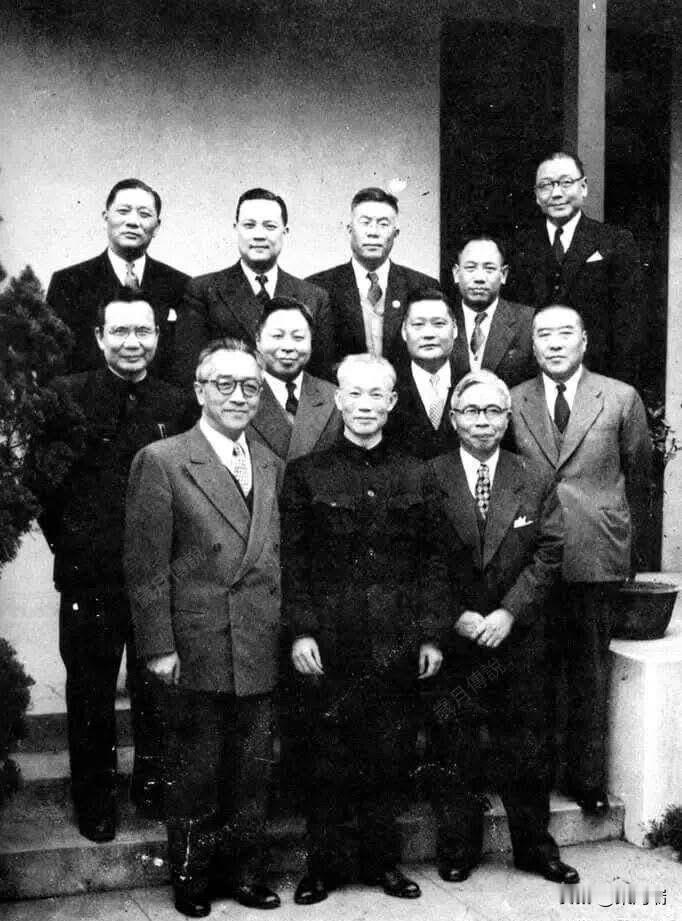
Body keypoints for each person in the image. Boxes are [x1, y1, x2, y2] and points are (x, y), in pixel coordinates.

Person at [281, 354, 449, 905]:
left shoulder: (416, 473)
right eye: (354, 393)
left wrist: (430, 634)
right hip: (331, 641)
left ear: (393, 402)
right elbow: (293, 562)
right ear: (338, 399)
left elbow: (434, 560)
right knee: (325, 756)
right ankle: (323, 868)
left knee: (389, 755)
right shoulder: (306, 473)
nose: (365, 405)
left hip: (396, 640)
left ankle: (384, 864)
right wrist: (301, 631)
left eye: (377, 394)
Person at [124, 339, 284, 918]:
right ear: (199, 390)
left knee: (251, 770)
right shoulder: (163, 460)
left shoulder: (269, 461)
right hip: (197, 644)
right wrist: (158, 646)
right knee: (195, 770)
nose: (238, 397)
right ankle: (191, 879)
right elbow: (146, 567)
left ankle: (245, 875)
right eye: (225, 384)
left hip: (257, 640)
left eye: (250, 387)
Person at [33, 292, 188, 842]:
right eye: (119, 331)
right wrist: (75, 547)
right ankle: (95, 802)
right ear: (99, 337)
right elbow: (43, 485)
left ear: (157, 337)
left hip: (159, 579)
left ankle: (152, 789)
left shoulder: (177, 402)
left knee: (157, 689)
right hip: (90, 575)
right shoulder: (65, 396)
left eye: (143, 331)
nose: (132, 342)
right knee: (90, 692)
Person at [426, 369, 579, 886]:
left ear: (508, 418)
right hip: (459, 639)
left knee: (527, 748)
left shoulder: (533, 476)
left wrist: (508, 612)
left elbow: (550, 551)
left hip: (519, 637)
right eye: (472, 411)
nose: (483, 421)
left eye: (493, 411)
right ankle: (458, 848)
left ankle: (535, 849)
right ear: (454, 418)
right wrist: (455, 615)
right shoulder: (429, 476)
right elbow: (418, 557)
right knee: (456, 747)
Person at [510, 305, 651, 815]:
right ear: (532, 344)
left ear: (584, 341)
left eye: (564, 333)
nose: (554, 343)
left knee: (588, 672)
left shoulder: (619, 397)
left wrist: (627, 549)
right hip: (533, 558)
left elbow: (639, 474)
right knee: (534, 673)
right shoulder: (513, 399)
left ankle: (586, 779)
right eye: (543, 334)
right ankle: (536, 776)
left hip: (596, 551)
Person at [507, 151, 644, 387]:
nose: (556, 193)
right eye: (546, 185)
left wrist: (618, 389)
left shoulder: (615, 241)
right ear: (537, 196)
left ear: (584, 187)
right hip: (534, 383)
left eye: (566, 182)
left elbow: (629, 326)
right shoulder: (520, 246)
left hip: (598, 379)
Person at [177, 188, 333, 387]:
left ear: (285, 231)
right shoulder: (203, 290)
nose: (259, 235)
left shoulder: (314, 297)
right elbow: (190, 370)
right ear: (236, 228)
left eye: (270, 226)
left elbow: (321, 379)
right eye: (249, 225)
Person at [46, 178, 189, 385]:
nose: (132, 222)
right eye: (123, 211)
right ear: (106, 218)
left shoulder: (181, 285)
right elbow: (53, 361)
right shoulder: (68, 282)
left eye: (144, 214)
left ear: (157, 226)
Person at [308, 187, 439, 375]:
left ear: (396, 233)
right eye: (365, 223)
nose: (373, 232)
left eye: (383, 224)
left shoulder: (422, 286)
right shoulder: (318, 288)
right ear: (350, 229)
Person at [249, 296, 341, 462]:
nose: (288, 347)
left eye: (298, 337)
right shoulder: (240, 396)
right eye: (277, 336)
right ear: (258, 340)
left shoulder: (334, 397)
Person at [450, 234, 536, 389]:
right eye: (470, 268)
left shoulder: (528, 321)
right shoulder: (442, 320)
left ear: (503, 274)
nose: (479, 278)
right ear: (456, 273)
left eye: (489, 268)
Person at [384, 288, 460, 459]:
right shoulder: (387, 388)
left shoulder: (471, 382)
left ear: (455, 329)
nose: (428, 334)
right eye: (418, 325)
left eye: (438, 324)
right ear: (404, 331)